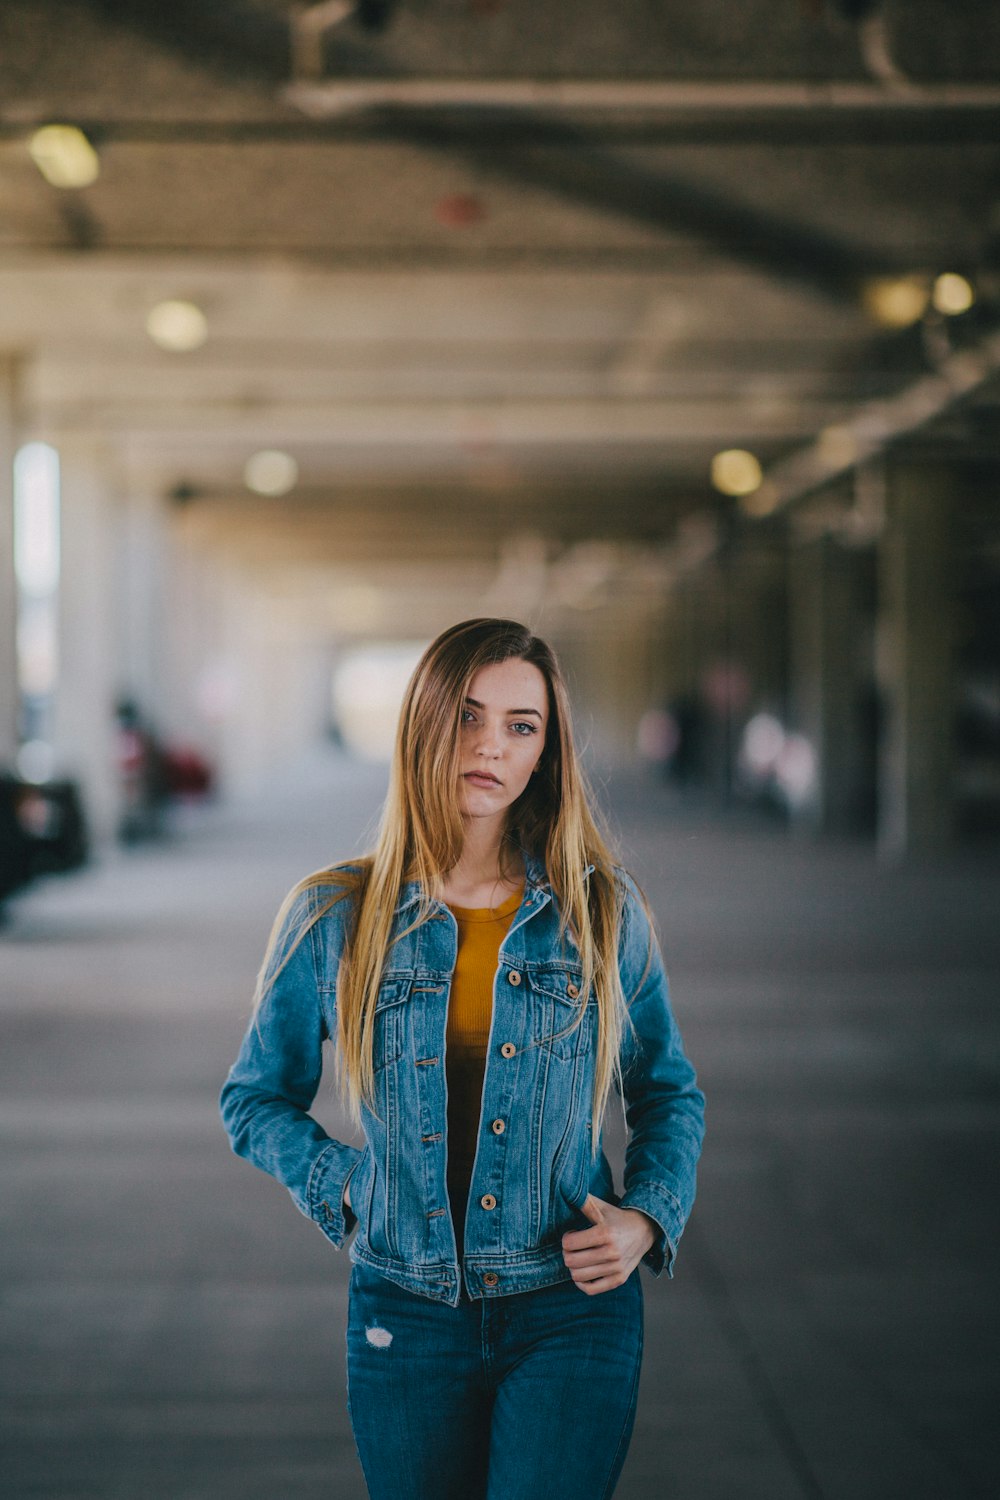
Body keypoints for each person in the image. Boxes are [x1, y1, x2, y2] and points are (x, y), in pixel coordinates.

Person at [220, 618, 705, 1500]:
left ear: (545, 753)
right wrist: (344, 1184)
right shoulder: (336, 914)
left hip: (569, 1309)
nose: (491, 746)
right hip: (406, 1313)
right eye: (470, 717)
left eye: (522, 726)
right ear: (425, 724)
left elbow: (666, 1088)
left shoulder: (599, 909)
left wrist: (648, 1217)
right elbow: (254, 1099)